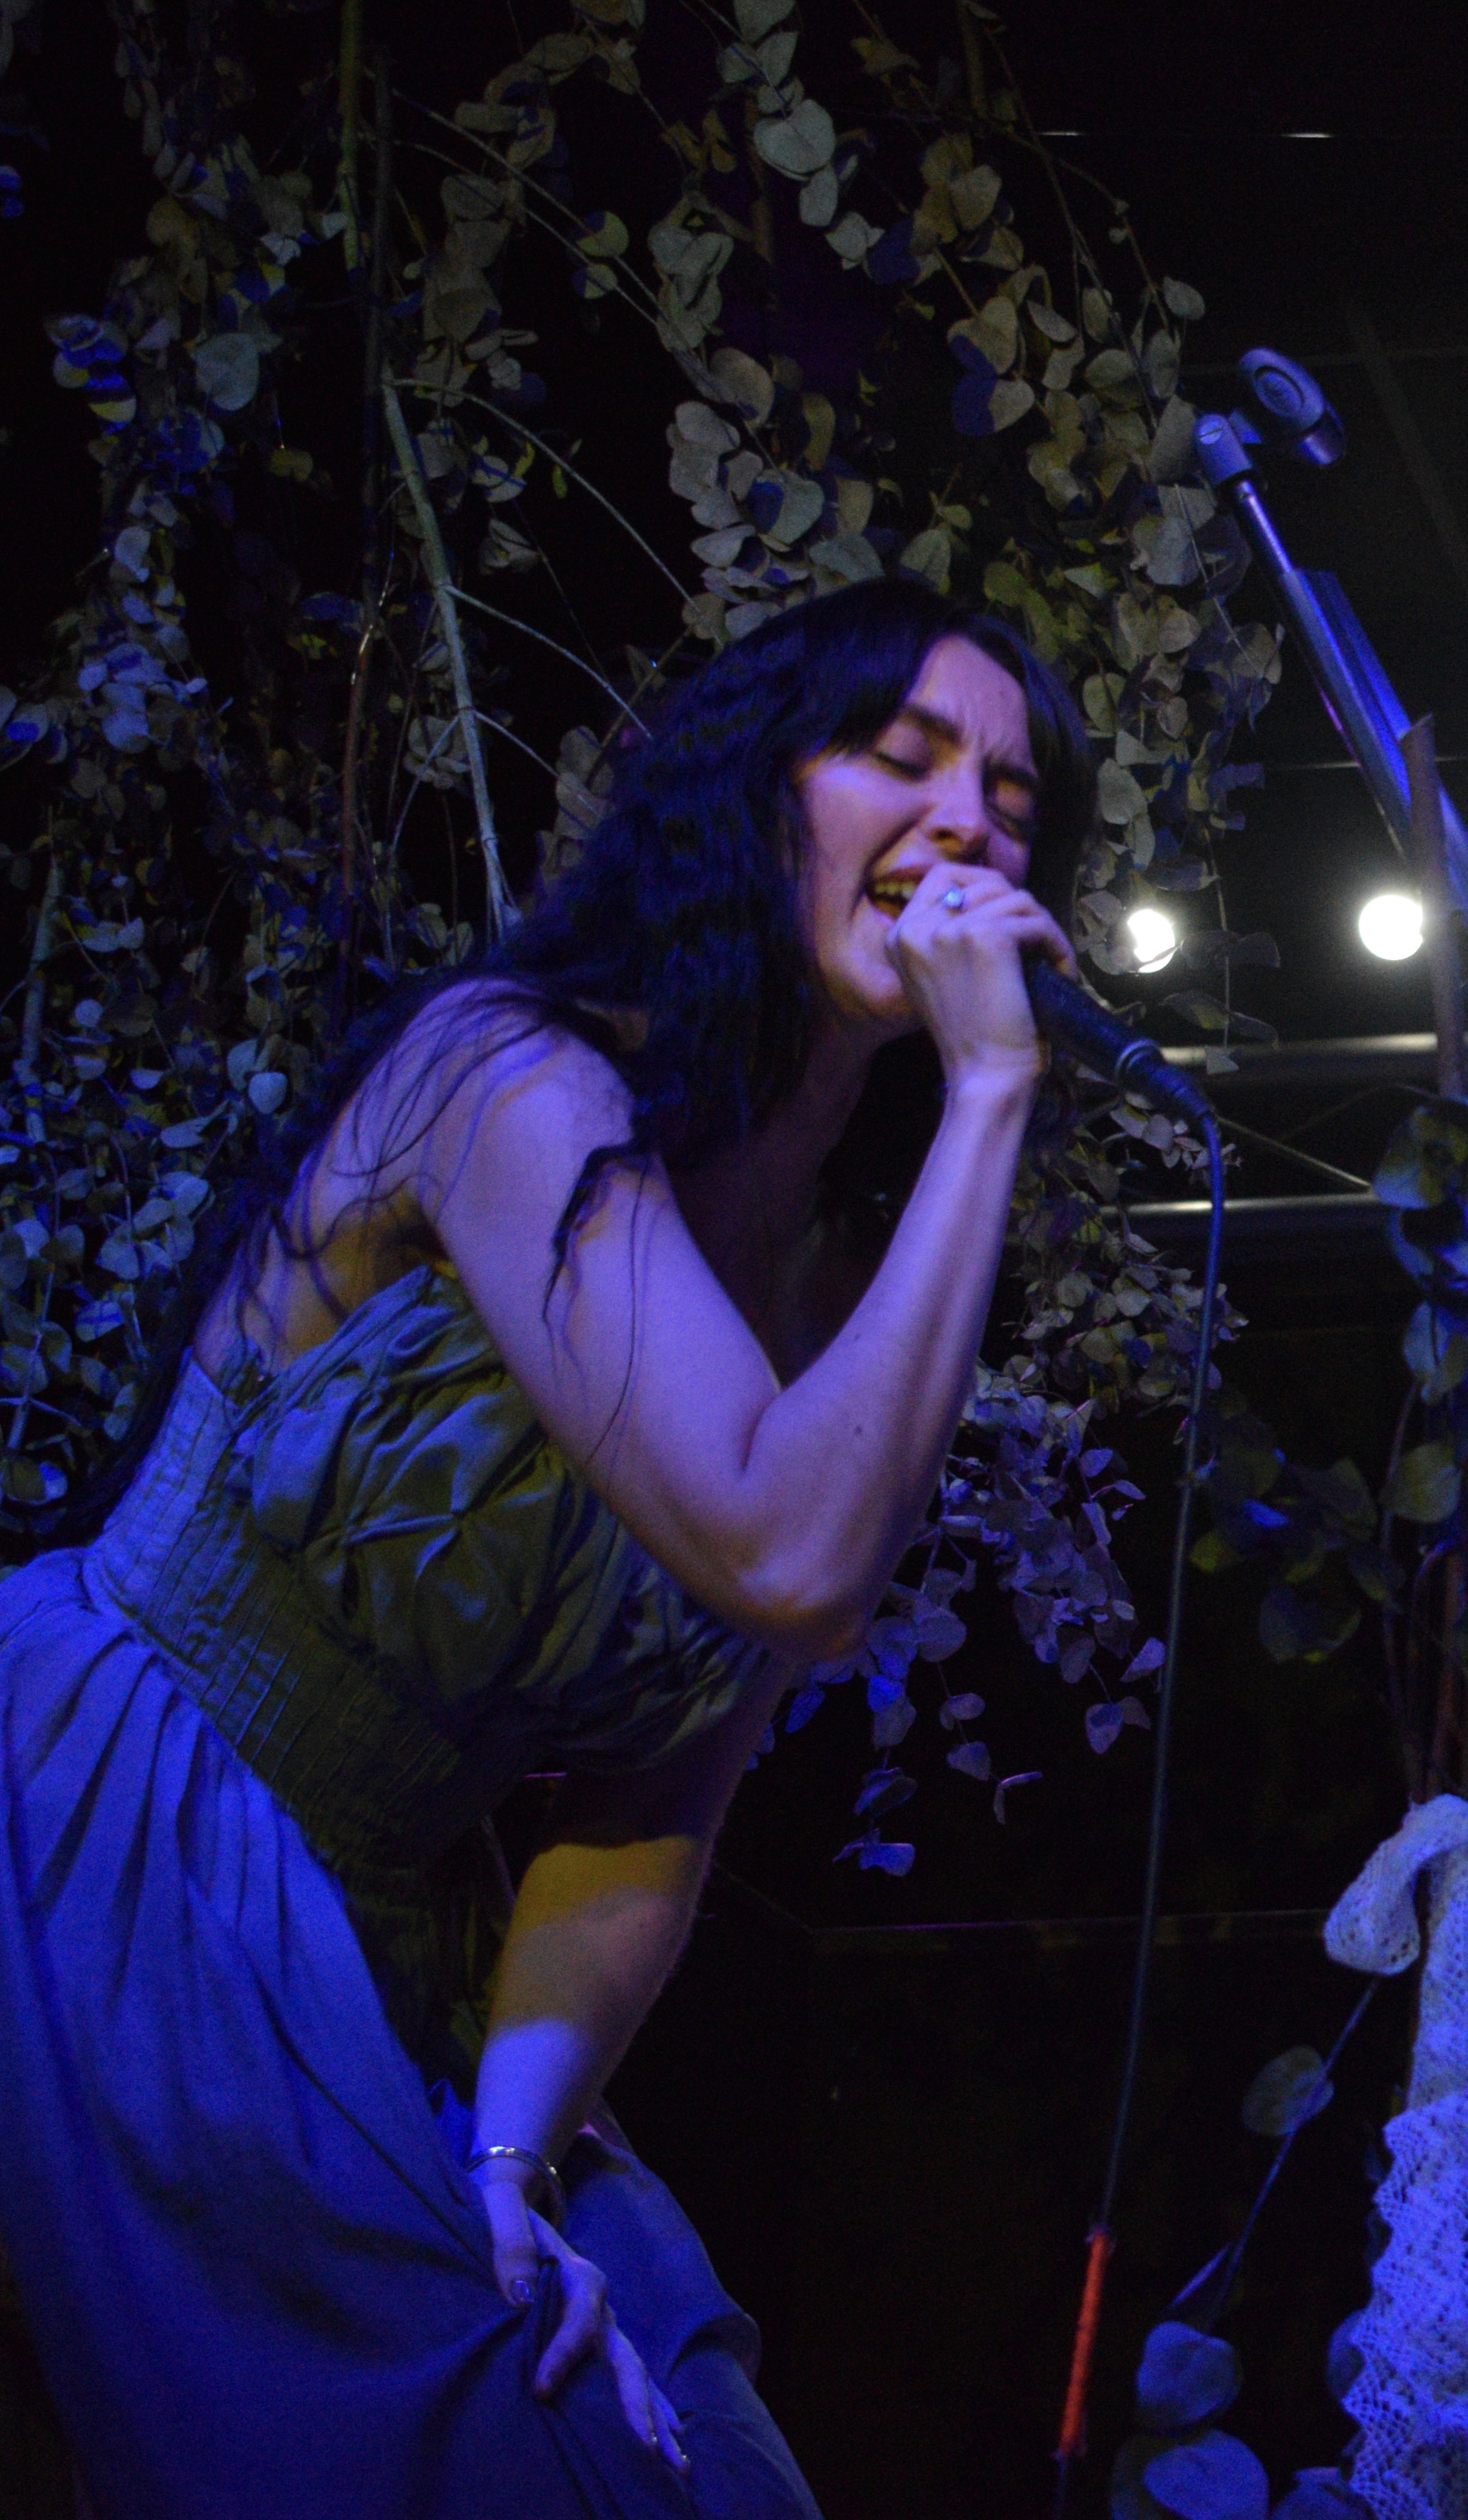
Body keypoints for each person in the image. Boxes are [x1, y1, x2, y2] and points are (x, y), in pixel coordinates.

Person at [0, 578, 1088, 2516]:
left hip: (396, 1930)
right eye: (897, 757)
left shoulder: (859, 1275)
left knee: (670, 2440)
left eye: (1011, 799)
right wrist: (990, 1096)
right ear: (756, 798)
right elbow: (785, 1557)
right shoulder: (510, 1080)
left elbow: (656, 1814)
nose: (963, 828)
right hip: (115, 1822)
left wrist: (511, 2168)